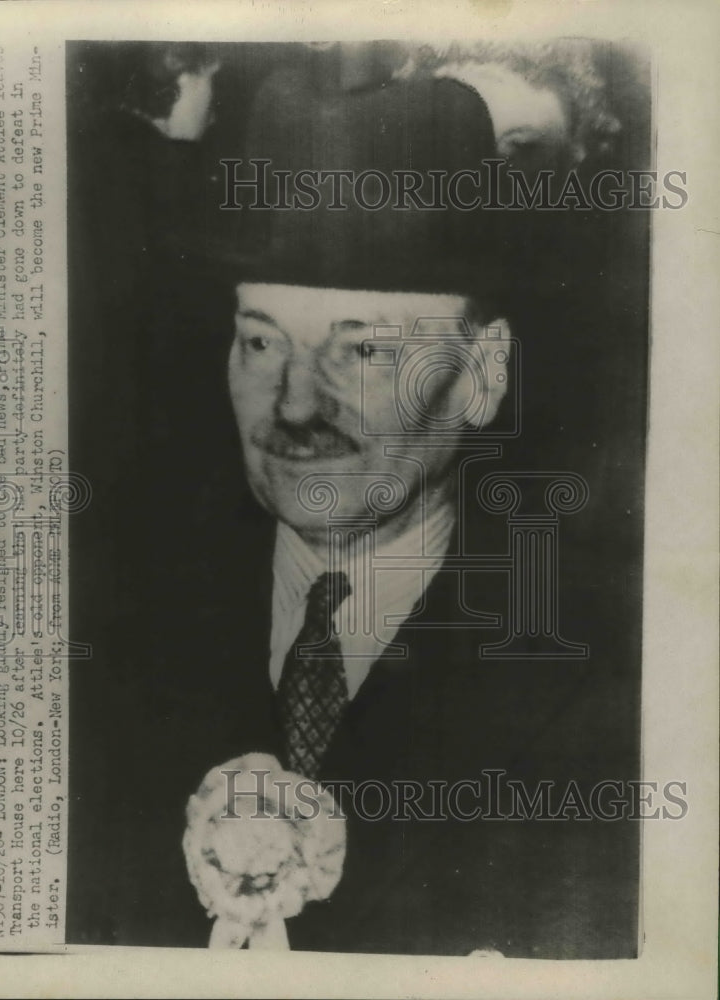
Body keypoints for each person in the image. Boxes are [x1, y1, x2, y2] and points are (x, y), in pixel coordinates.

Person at [67, 62, 640, 958]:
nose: (293, 406)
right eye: (262, 342)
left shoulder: (614, 684)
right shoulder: (93, 626)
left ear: (483, 375)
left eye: (363, 350)